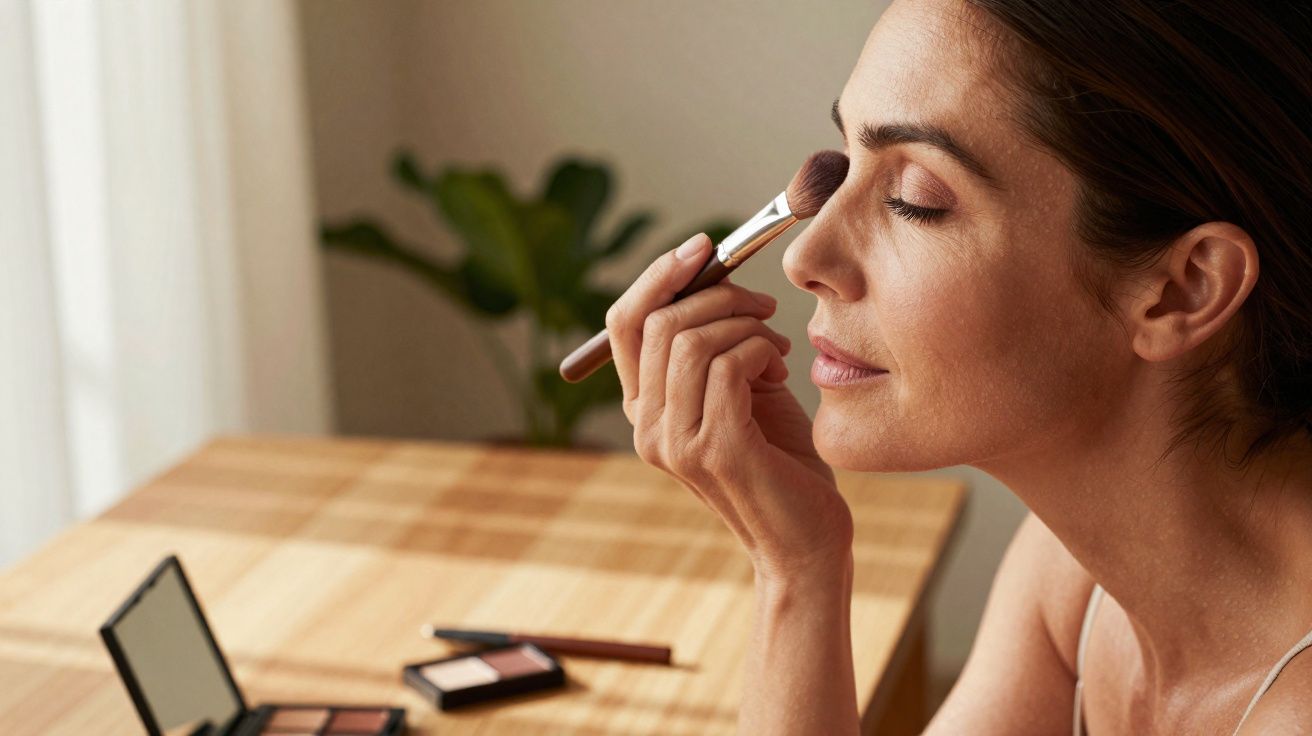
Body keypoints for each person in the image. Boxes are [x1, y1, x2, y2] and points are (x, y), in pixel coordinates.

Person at [602, 0, 1312, 733]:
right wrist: (797, 567)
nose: (804, 258)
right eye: (847, 164)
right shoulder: (1074, 581)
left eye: (916, 201)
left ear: (1182, 289)